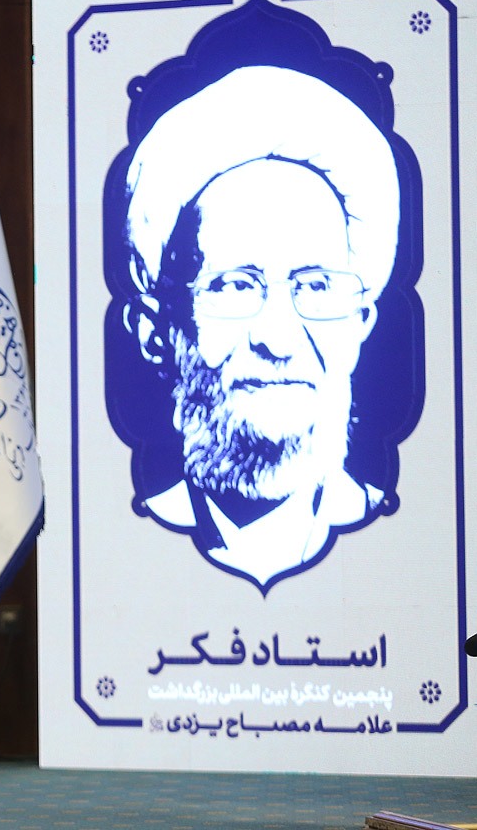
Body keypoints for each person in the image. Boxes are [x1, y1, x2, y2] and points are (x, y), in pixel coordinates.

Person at [118, 63, 403, 590]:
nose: (278, 338)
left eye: (315, 286)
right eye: (235, 286)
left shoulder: (408, 547)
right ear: (156, 332)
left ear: (359, 324)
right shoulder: (117, 545)